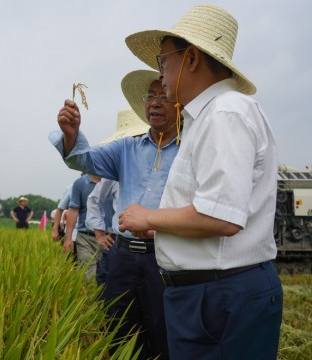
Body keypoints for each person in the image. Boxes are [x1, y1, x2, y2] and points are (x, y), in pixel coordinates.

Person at [120, 5, 282, 359]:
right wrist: (164, 228)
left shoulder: (225, 113)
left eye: (164, 62)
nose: (160, 75)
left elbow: (221, 216)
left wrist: (148, 218)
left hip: (219, 297)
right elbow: (212, 205)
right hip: (210, 295)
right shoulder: (207, 116)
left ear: (191, 58)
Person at [50, 69, 179, 360]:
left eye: (163, 96)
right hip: (122, 258)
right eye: (150, 96)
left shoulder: (190, 151)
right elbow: (85, 159)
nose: (155, 103)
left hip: (166, 259)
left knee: (161, 336)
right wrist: (71, 136)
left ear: (179, 103)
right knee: (117, 331)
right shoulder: (126, 148)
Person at [85, 108, 151, 286]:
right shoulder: (118, 168)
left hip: (157, 248)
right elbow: (93, 199)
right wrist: (99, 234)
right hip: (122, 244)